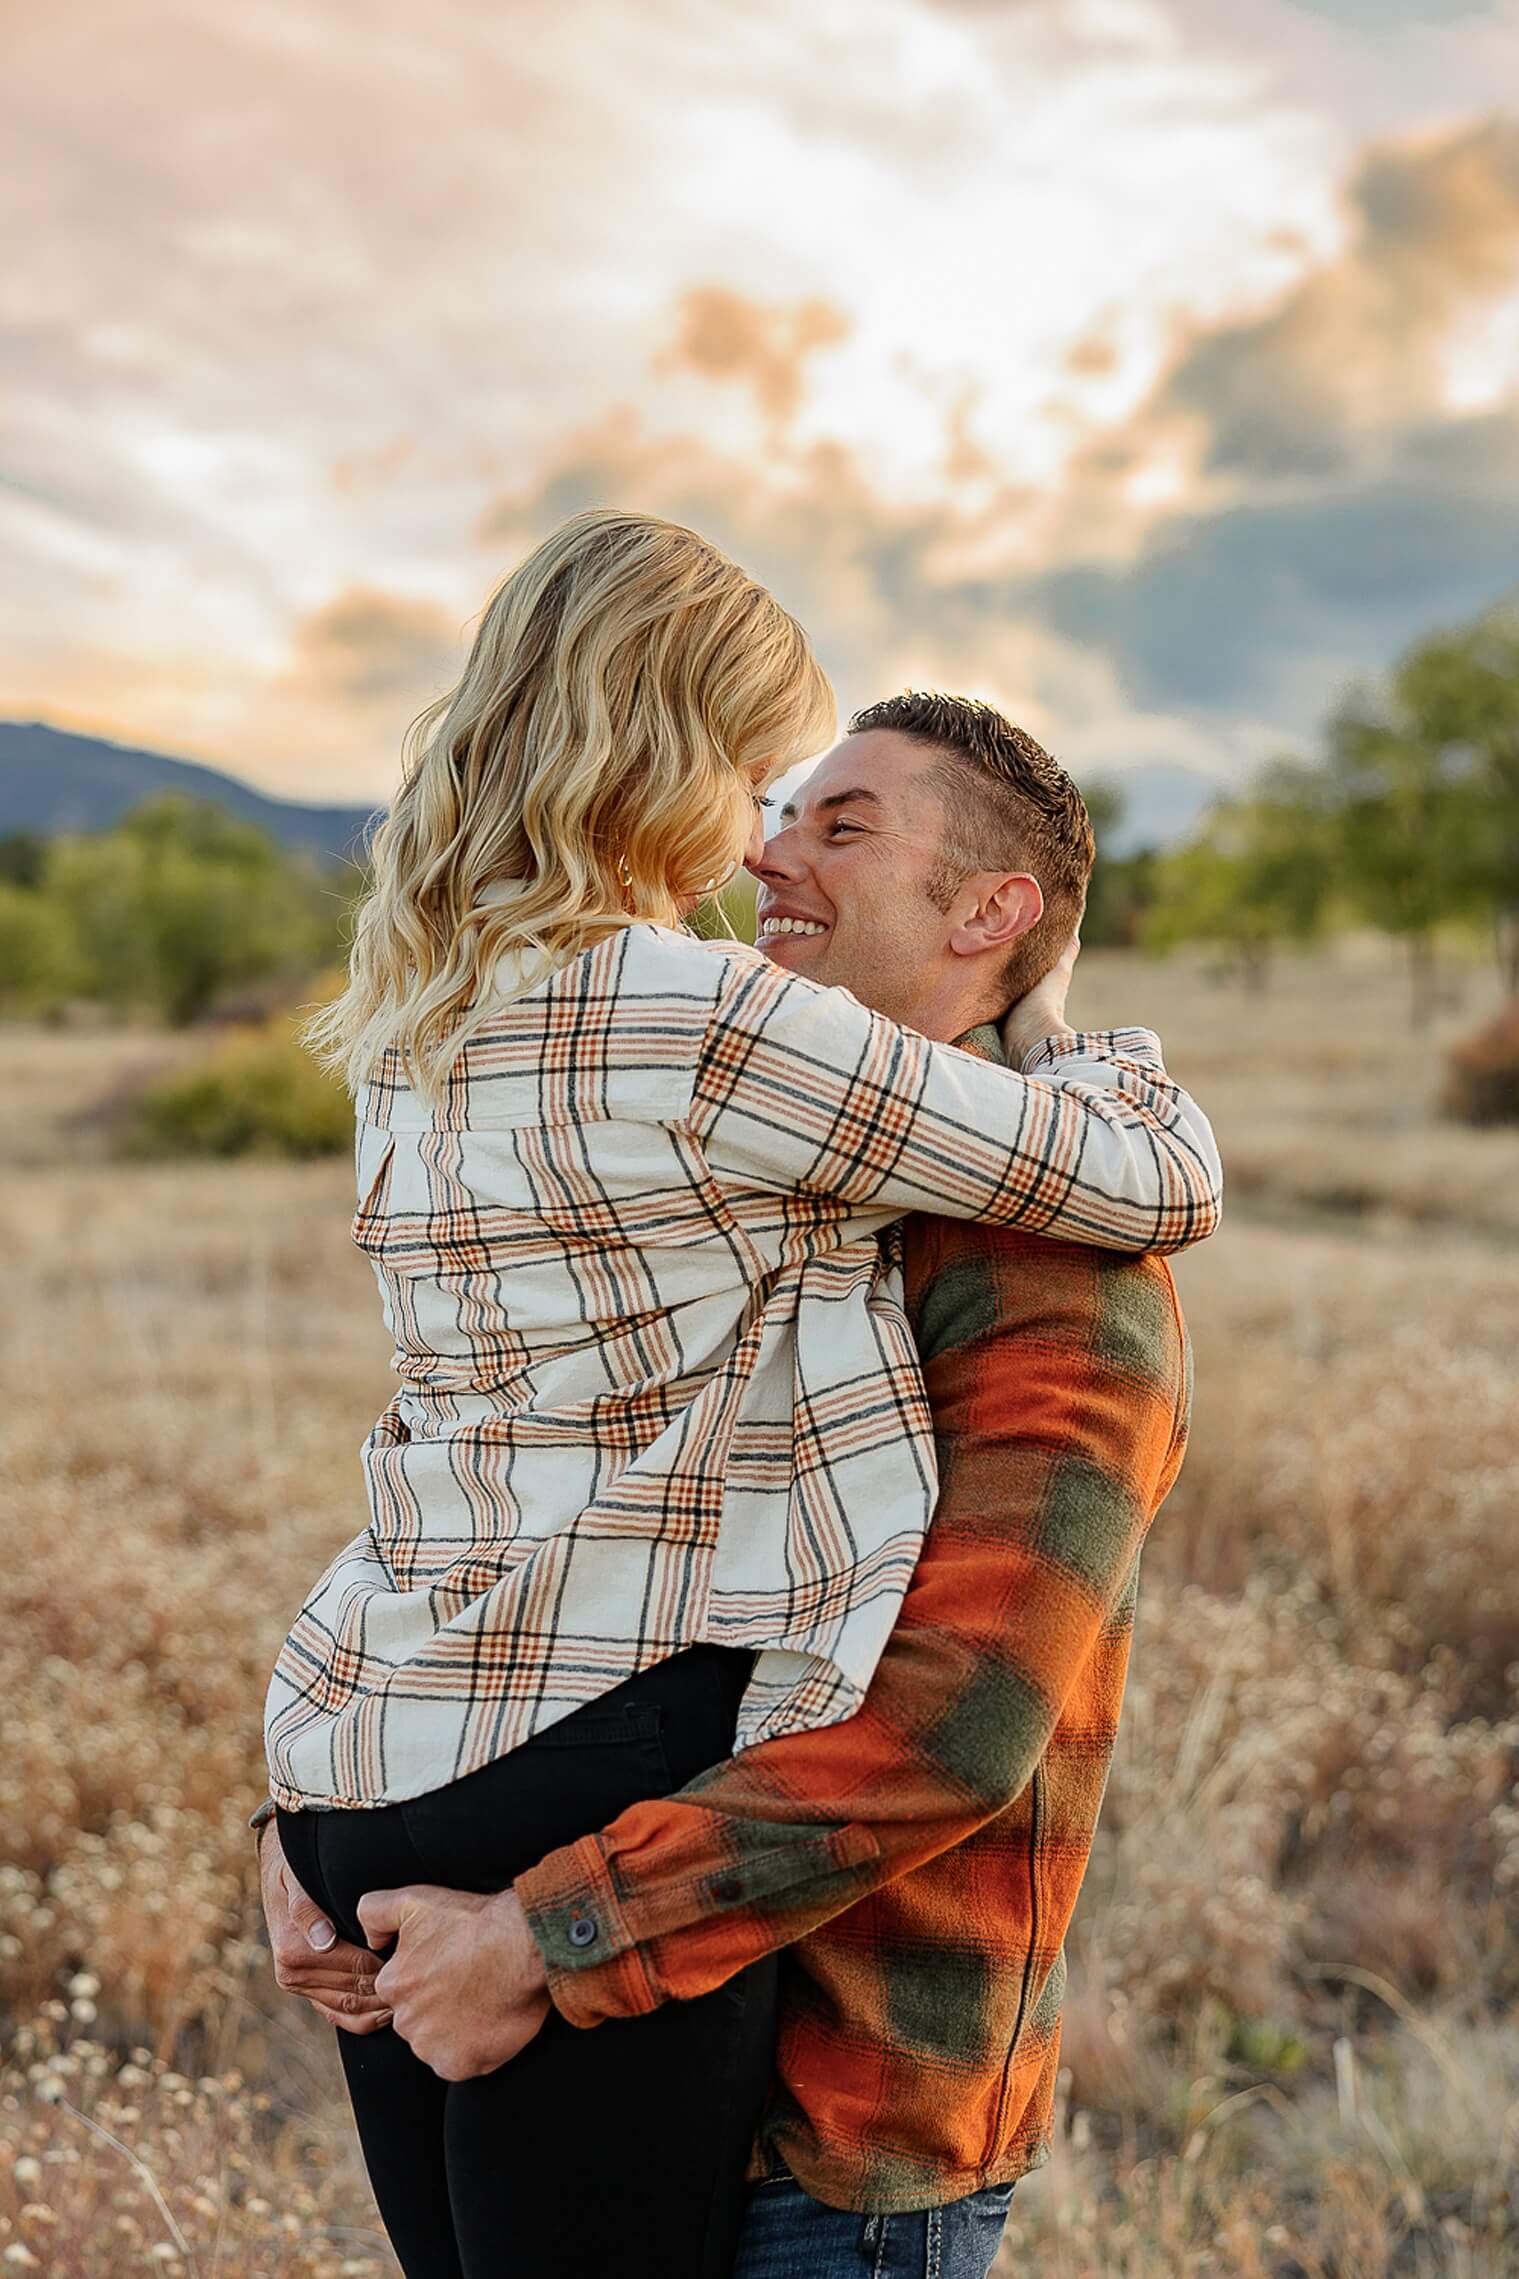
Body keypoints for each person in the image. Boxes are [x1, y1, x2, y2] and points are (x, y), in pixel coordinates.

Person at [256, 512, 1221, 2279]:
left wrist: (339, 1808)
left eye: (826, 818)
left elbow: (946, 1729)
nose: (764, 847)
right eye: (764, 786)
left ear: (990, 909)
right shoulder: (706, 1050)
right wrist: (1069, 1037)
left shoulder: (443, 1032)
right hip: (565, 1812)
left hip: (753, 2042)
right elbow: (1155, 1165)